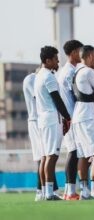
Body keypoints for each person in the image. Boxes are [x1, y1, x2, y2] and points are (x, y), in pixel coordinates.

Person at [34, 46, 71, 200]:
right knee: (52, 156)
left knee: (45, 157)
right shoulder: (48, 77)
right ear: (47, 60)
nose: (57, 62)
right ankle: (49, 193)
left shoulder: (38, 76)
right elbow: (57, 99)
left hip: (42, 119)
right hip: (51, 119)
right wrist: (68, 117)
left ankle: (44, 192)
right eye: (56, 59)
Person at [72, 45, 94, 200]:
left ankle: (85, 191)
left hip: (77, 117)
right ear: (89, 56)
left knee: (83, 155)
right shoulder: (89, 71)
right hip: (88, 117)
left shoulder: (76, 72)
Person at [57, 40, 83, 200]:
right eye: (80, 51)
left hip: (71, 116)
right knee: (73, 153)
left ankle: (69, 191)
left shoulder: (69, 70)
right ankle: (70, 191)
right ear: (73, 53)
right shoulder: (69, 72)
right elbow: (75, 95)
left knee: (74, 153)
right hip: (71, 117)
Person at [23, 70, 44, 201]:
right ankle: (39, 191)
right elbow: (39, 96)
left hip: (42, 120)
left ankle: (49, 189)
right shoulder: (31, 79)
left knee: (47, 156)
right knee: (42, 157)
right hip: (36, 120)